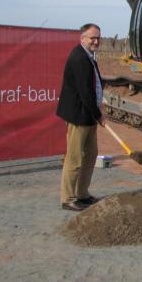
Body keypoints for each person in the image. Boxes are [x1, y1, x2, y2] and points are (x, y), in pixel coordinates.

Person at [56, 23, 105, 211]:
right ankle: (68, 198)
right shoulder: (79, 58)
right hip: (79, 115)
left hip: (89, 115)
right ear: (82, 38)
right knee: (75, 158)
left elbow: (94, 86)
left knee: (91, 154)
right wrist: (99, 115)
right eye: (92, 37)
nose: (96, 41)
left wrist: (98, 109)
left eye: (98, 38)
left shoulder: (89, 56)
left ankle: (83, 194)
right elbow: (85, 93)